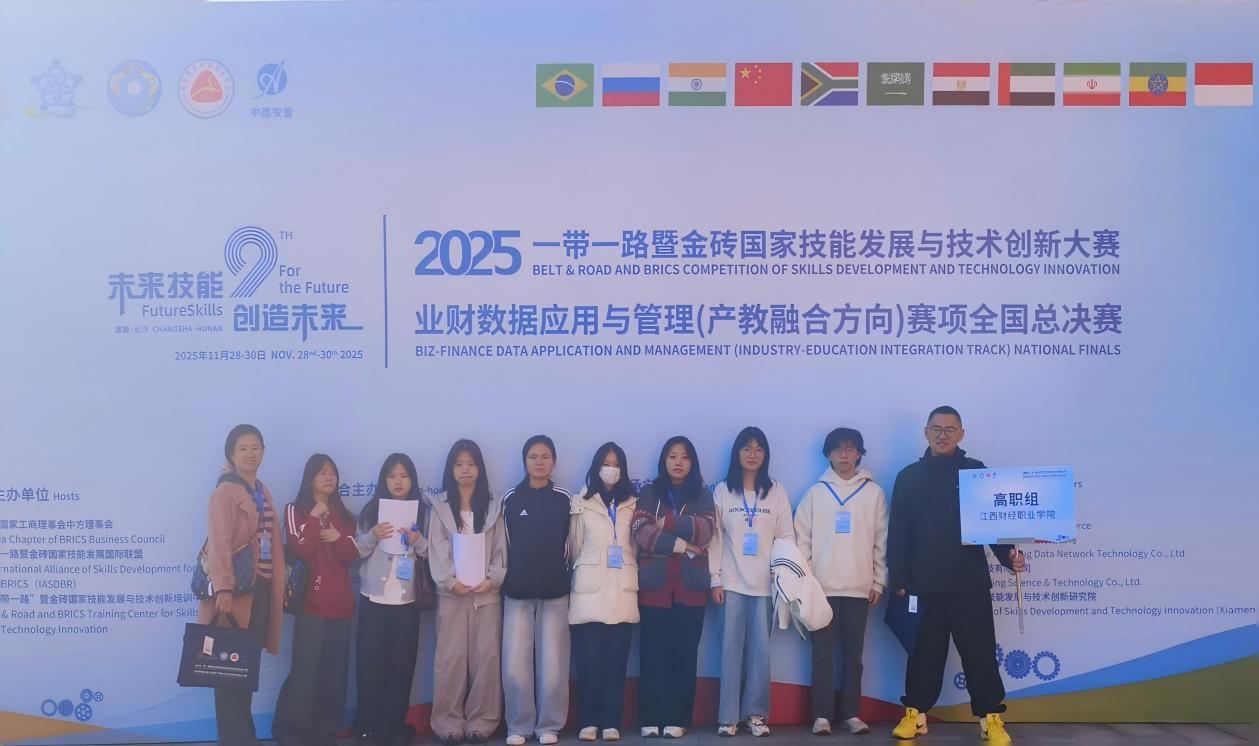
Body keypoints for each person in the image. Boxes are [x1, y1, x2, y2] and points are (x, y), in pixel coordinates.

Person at [887, 406, 1024, 744]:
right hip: (923, 585)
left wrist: (1008, 555)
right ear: (926, 433)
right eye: (936, 429)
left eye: (950, 429)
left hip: (969, 584)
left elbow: (993, 524)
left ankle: (990, 719)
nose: (943, 435)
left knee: (980, 655)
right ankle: (915, 714)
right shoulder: (908, 477)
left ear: (961, 434)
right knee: (923, 656)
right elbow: (898, 531)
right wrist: (899, 579)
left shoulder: (976, 472)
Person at [794, 428, 887, 736]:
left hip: (859, 588)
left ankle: (851, 713)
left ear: (859, 453)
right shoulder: (815, 493)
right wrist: (807, 582)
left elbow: (881, 542)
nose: (844, 455)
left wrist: (879, 581)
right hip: (822, 589)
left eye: (850, 449)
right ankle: (821, 715)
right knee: (821, 656)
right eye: (837, 450)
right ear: (828, 455)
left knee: (853, 656)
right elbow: (802, 541)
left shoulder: (874, 493)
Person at [197, 424, 285, 746]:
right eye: (243, 448)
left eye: (255, 447)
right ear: (231, 455)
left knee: (243, 671)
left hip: (259, 592)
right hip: (234, 594)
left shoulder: (261, 490)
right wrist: (223, 588)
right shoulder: (224, 492)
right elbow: (219, 541)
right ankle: (235, 740)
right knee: (227, 674)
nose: (250, 453)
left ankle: (244, 737)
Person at [709, 426, 795, 737]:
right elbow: (715, 539)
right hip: (731, 584)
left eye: (759, 449)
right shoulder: (723, 490)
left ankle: (756, 715)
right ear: (737, 453)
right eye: (746, 448)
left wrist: (780, 573)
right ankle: (728, 717)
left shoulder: (776, 491)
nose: (752, 454)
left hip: (764, 586)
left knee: (760, 652)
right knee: (729, 651)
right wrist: (715, 579)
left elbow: (786, 536)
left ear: (766, 455)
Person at [631, 436, 717, 739]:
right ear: (664, 461)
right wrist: (682, 542)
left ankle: (678, 717)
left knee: (684, 655)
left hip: (691, 589)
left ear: (692, 462)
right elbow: (641, 532)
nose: (678, 462)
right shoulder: (649, 492)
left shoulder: (703, 495)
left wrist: (665, 523)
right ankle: (650, 717)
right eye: (672, 456)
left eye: (684, 457)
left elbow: (705, 530)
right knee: (652, 654)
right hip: (654, 587)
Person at [273, 454, 359, 746]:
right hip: (310, 607)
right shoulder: (294, 510)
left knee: (334, 677)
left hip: (342, 607)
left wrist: (337, 537)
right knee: (304, 673)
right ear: (310, 478)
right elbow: (302, 548)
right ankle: (290, 734)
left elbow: (351, 556)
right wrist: (313, 516)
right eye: (322, 472)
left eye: (332, 472)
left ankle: (325, 734)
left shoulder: (345, 516)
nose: (328, 477)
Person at [427, 439, 508, 745]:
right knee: (450, 659)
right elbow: (437, 548)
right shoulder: (440, 507)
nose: (465, 470)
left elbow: (500, 549)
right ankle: (448, 722)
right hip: (452, 595)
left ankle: (482, 722)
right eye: (459, 464)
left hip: (486, 595)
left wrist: (492, 579)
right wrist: (450, 581)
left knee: (486, 659)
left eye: (471, 464)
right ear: (451, 469)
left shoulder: (494, 505)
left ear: (480, 468)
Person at [501, 435, 571, 746]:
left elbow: (571, 544)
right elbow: (504, 545)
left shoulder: (564, 498)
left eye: (545, 456)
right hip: (517, 592)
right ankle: (518, 726)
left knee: (553, 665)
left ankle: (549, 726)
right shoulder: (511, 499)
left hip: (555, 592)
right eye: (533, 456)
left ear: (554, 461)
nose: (539, 462)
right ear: (524, 461)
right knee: (515, 664)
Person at [568, 442, 640, 743]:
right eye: (606, 463)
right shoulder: (580, 502)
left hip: (622, 592)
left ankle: (611, 721)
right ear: (597, 467)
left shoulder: (633, 504)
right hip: (589, 594)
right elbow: (573, 547)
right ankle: (588, 720)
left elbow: (637, 547)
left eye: (616, 463)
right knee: (588, 664)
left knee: (616, 663)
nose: (611, 469)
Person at [354, 454, 427, 746]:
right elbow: (357, 551)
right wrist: (373, 535)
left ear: (412, 480)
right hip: (373, 599)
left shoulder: (423, 512)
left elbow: (433, 554)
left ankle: (395, 726)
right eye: (392, 476)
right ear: (384, 480)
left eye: (404, 476)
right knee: (370, 666)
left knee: (402, 667)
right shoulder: (370, 511)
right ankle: (368, 726)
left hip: (407, 602)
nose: (398, 482)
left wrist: (419, 541)